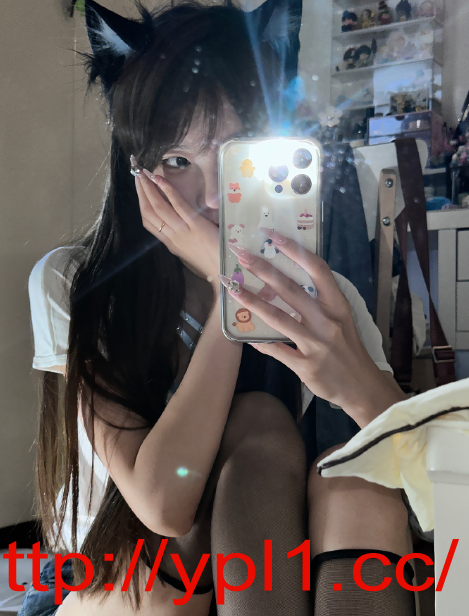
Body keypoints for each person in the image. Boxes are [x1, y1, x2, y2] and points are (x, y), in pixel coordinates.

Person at [21, 1, 417, 615]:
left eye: (236, 156)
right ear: (135, 168)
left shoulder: (322, 290)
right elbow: (163, 505)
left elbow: (434, 484)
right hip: (124, 576)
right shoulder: (75, 284)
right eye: (177, 161)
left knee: (356, 484)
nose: (211, 197)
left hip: (259, 555)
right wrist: (232, 285)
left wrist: (354, 378)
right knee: (260, 419)